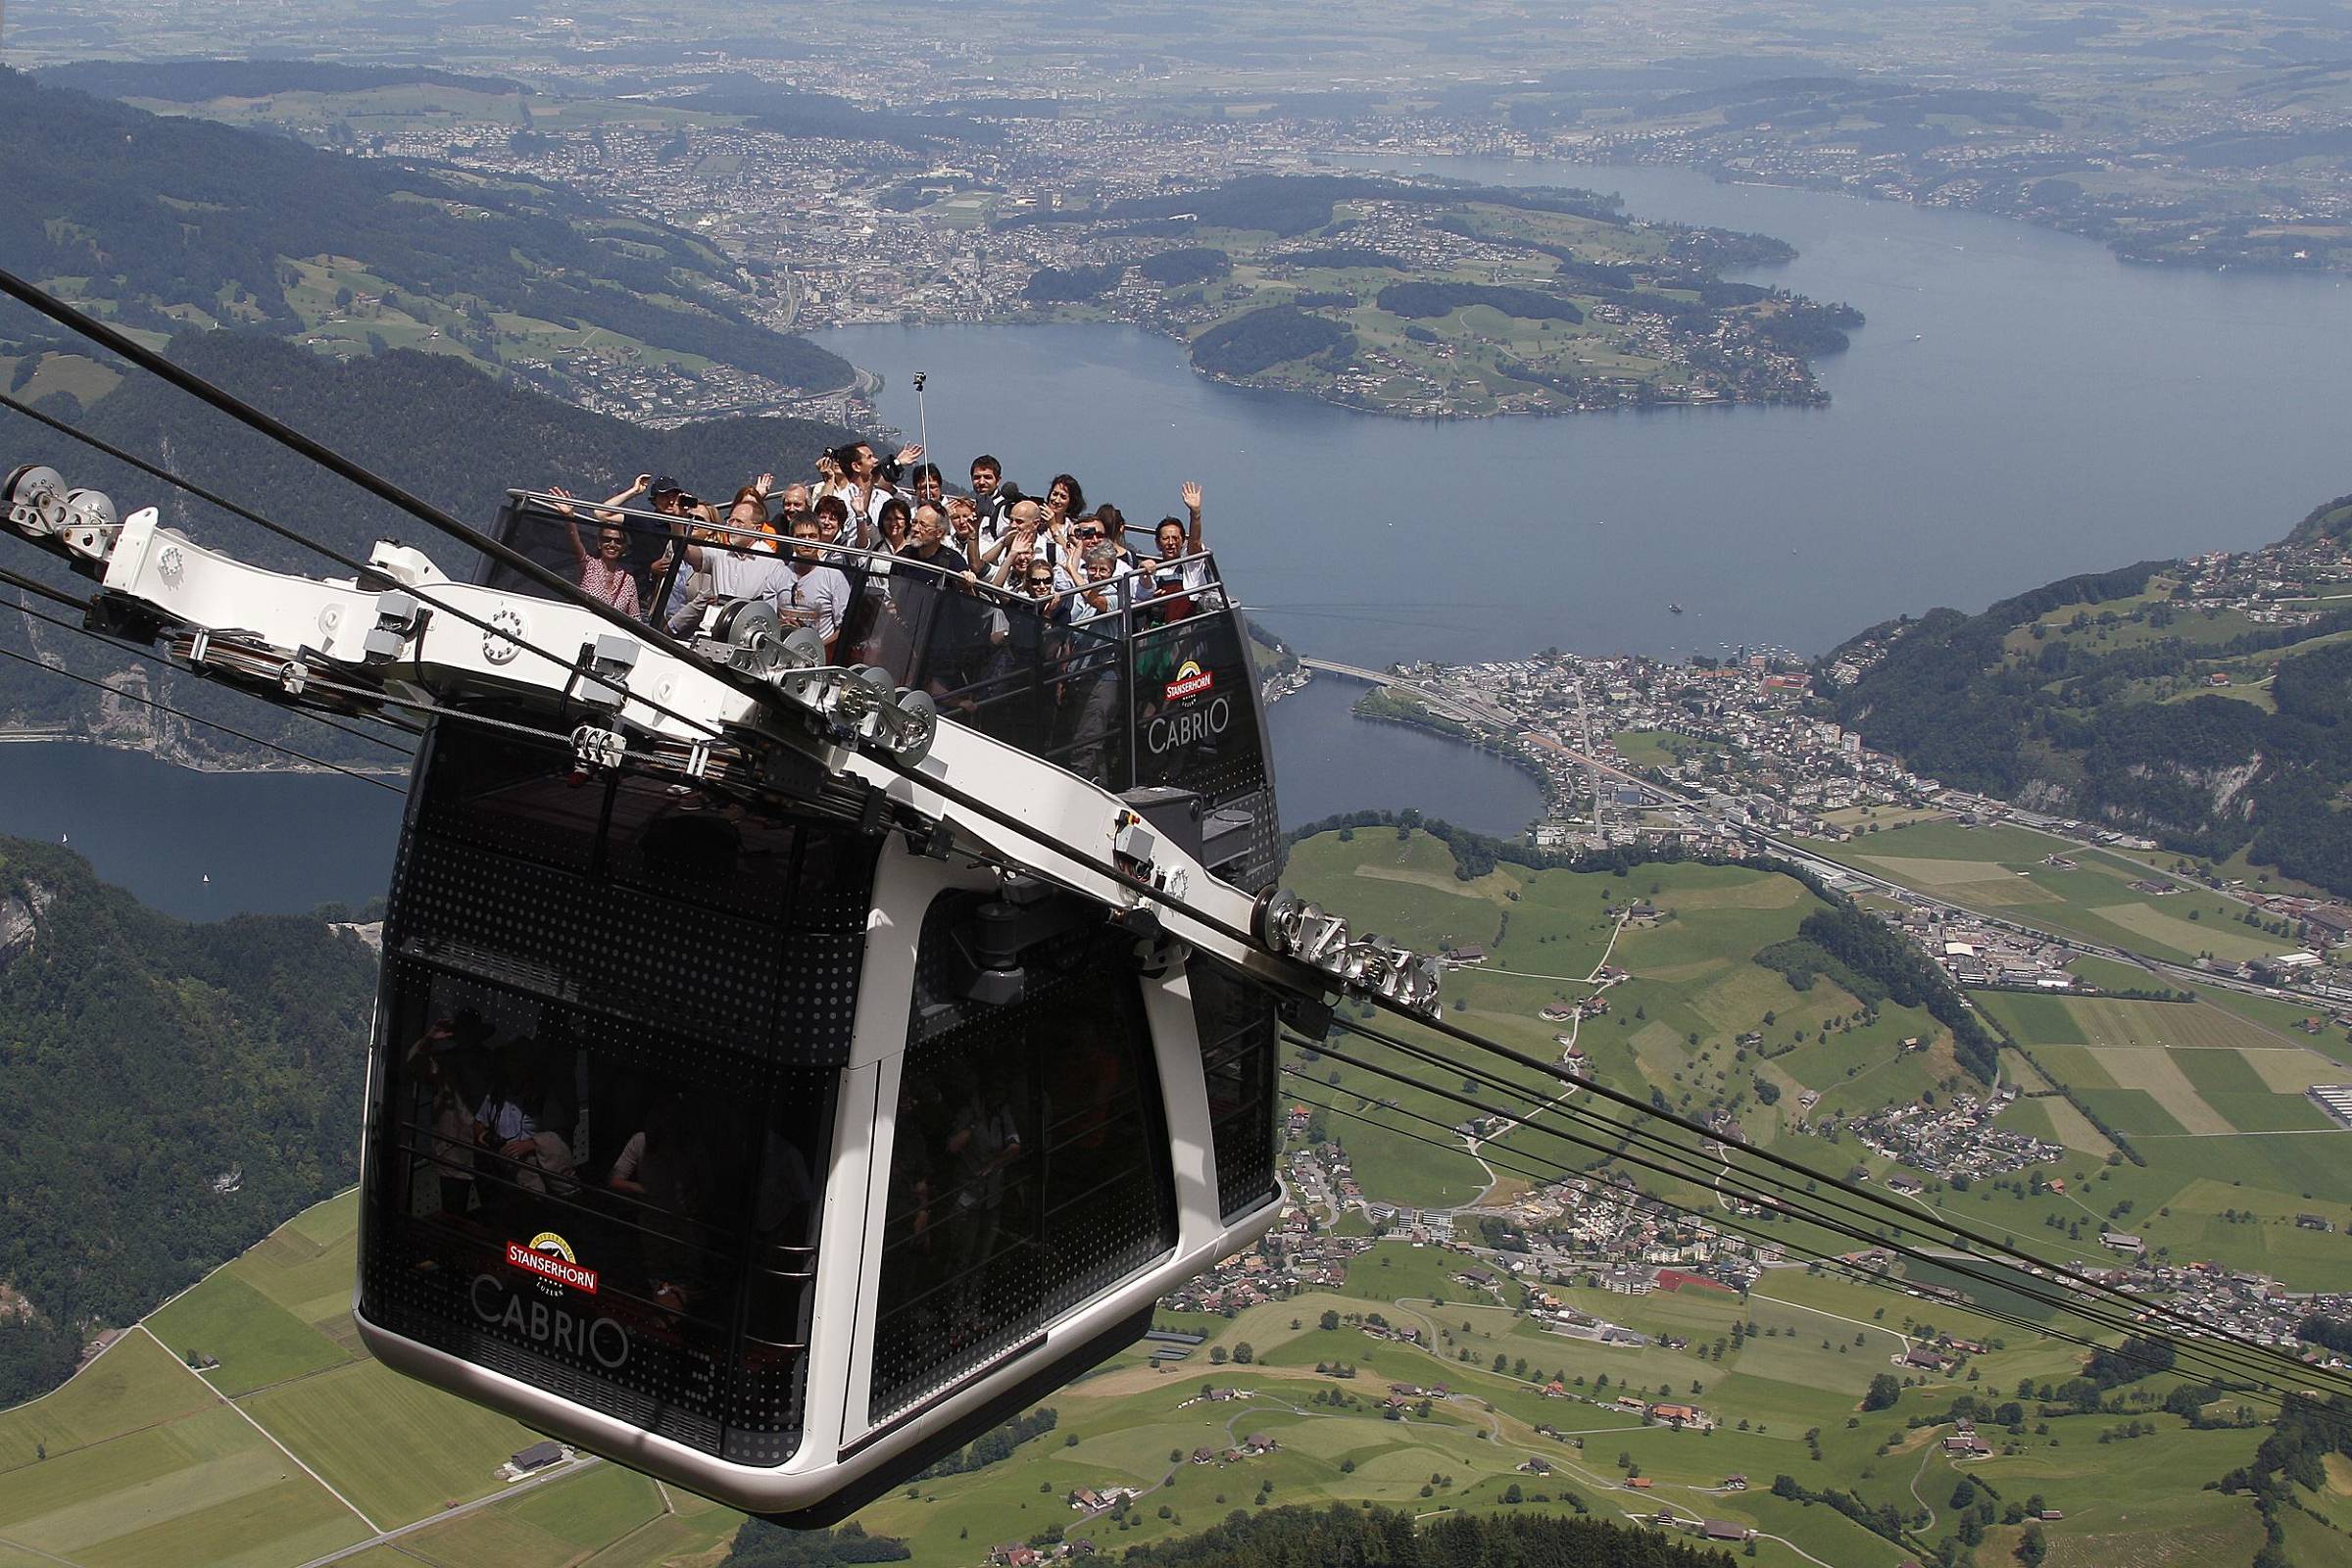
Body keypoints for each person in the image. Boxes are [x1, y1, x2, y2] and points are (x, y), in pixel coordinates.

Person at [546, 487, 644, 617]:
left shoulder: (628, 581)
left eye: (617, 541)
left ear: (623, 547)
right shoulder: (589, 566)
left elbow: (635, 618)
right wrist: (569, 516)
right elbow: (575, 542)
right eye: (607, 540)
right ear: (599, 543)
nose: (612, 544)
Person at [780, 512, 854, 658]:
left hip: (818, 656)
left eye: (812, 536)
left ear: (820, 539)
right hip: (781, 651)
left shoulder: (834, 576)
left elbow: (845, 626)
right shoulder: (778, 574)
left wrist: (819, 648)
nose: (806, 541)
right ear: (791, 540)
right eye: (801, 536)